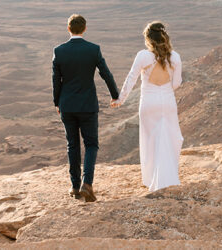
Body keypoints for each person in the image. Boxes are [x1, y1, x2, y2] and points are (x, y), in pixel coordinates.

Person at [52, 13, 120, 202]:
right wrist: (115, 95)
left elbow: (56, 80)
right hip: (88, 105)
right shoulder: (93, 49)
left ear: (68, 28)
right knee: (91, 144)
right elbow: (106, 74)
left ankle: (74, 187)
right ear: (84, 28)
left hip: (67, 105)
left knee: (72, 144)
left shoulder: (59, 51)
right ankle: (87, 184)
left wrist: (57, 102)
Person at [111, 21, 183, 191]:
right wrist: (165, 88)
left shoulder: (143, 56)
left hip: (149, 102)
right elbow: (177, 83)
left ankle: (152, 179)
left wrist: (120, 99)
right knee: (170, 138)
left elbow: (131, 79)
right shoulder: (175, 57)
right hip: (168, 102)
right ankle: (169, 177)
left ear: (148, 39)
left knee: (150, 140)